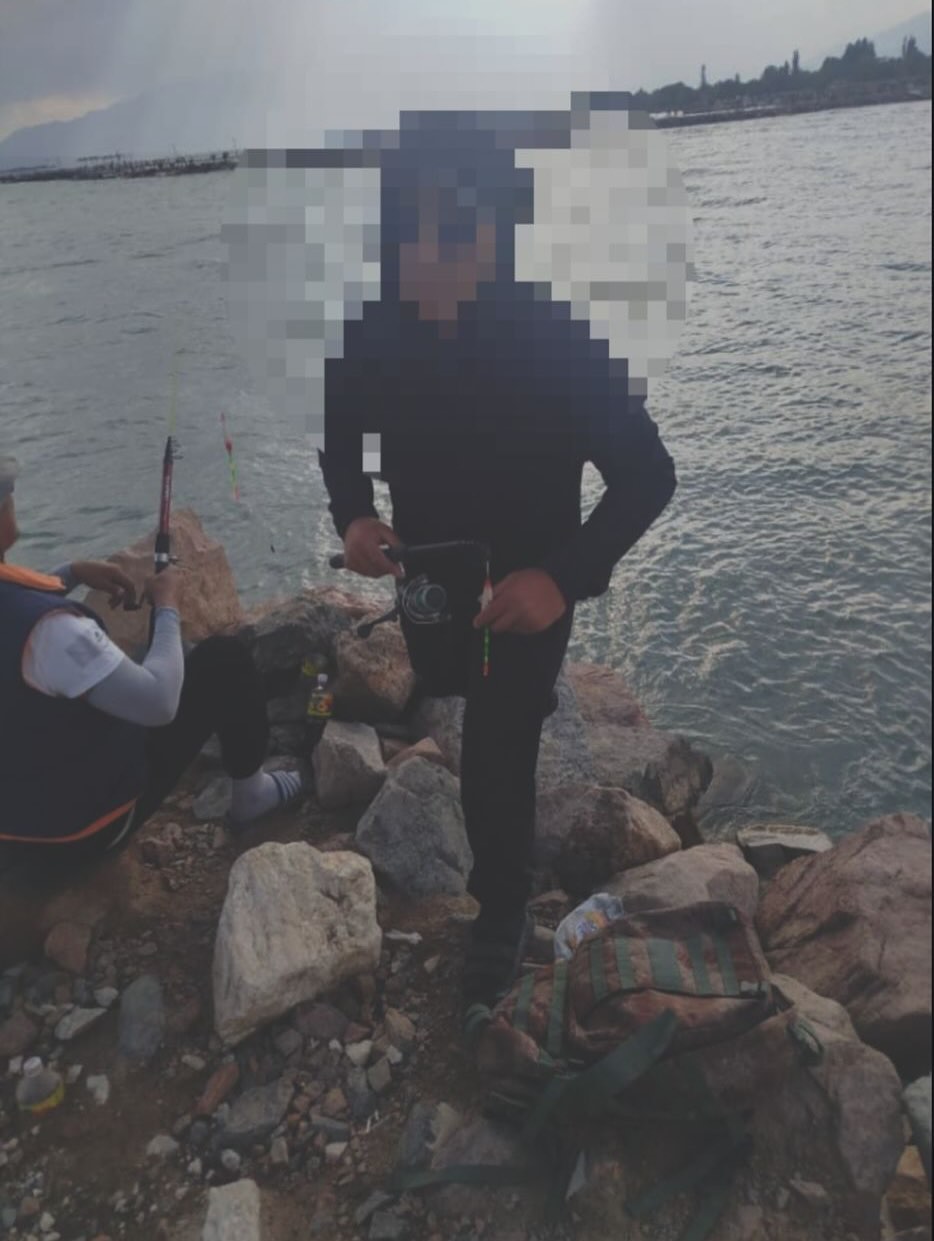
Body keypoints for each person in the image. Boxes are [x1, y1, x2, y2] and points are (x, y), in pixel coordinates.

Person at [319, 115, 677, 1015]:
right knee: (451, 688)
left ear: (498, 231)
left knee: (500, 734)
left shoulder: (559, 342)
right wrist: (353, 512)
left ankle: (502, 909)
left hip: (529, 581)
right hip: (432, 576)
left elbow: (649, 475)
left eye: (453, 232)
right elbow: (338, 426)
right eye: (406, 232)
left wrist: (562, 577)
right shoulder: (373, 330)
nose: (426, 257)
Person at [0, 455, 302, 867]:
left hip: (10, 830)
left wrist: (70, 573)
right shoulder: (52, 631)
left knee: (131, 664)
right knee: (223, 660)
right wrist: (167, 606)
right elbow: (160, 703)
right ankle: (253, 796)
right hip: (70, 839)